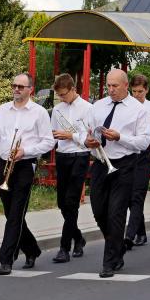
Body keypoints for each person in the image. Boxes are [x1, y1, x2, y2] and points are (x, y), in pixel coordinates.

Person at [0, 73, 55, 275]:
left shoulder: (39, 112)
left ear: (30, 89)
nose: (16, 89)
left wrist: (26, 151)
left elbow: (49, 142)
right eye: (14, 85)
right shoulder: (2, 110)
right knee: (10, 213)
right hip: (3, 164)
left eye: (21, 86)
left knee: (16, 214)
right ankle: (32, 249)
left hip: (24, 165)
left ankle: (6, 260)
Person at [84, 69, 150, 278]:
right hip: (101, 163)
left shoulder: (138, 110)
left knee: (116, 213)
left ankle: (110, 262)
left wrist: (120, 137)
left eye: (115, 86)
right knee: (98, 211)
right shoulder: (98, 106)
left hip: (124, 165)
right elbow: (87, 132)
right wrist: (88, 141)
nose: (111, 90)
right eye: (108, 86)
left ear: (125, 85)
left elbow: (144, 141)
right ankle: (117, 245)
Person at [50, 73, 92, 263]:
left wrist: (70, 136)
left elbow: (88, 138)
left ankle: (64, 248)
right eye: (59, 95)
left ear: (73, 89)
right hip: (62, 156)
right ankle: (78, 238)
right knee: (62, 203)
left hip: (80, 156)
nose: (61, 98)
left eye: (64, 94)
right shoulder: (57, 109)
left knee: (71, 202)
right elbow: (52, 134)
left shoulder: (87, 108)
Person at [124, 74, 150, 249]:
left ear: (146, 90)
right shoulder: (126, 107)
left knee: (138, 193)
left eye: (140, 91)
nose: (137, 95)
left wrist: (142, 130)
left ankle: (130, 235)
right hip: (128, 152)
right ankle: (141, 231)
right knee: (128, 195)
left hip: (145, 153)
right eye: (134, 91)